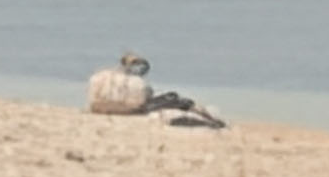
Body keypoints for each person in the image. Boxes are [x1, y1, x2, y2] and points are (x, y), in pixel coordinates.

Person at [86, 51, 225, 127]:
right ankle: (210, 120)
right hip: (136, 108)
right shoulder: (137, 84)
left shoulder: (100, 78)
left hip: (102, 106)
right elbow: (144, 97)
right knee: (177, 99)